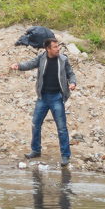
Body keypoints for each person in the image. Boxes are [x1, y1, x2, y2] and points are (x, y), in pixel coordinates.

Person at [11, 38, 76, 166]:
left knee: (62, 128)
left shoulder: (63, 60)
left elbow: (71, 73)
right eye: (55, 47)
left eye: (58, 46)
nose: (58, 49)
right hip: (43, 97)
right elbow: (29, 64)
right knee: (35, 124)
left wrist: (73, 82)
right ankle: (36, 150)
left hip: (57, 97)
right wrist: (19, 66)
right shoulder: (41, 58)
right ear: (48, 49)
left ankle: (65, 155)